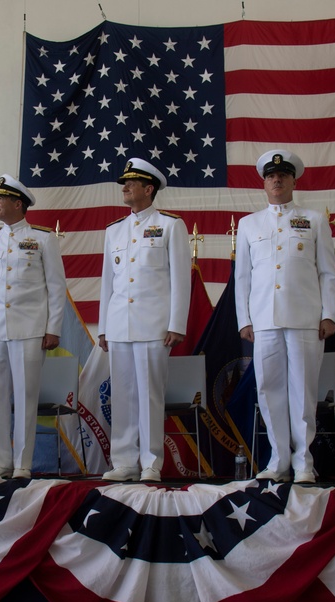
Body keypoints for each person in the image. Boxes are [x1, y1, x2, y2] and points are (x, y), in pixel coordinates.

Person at [234, 149, 335, 484]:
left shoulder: (314, 219)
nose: (277, 180)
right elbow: (243, 277)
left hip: (306, 317)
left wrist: (329, 313)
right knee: (269, 389)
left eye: (283, 175)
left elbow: (327, 272)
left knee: (303, 391)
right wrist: (244, 319)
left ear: (294, 180)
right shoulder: (249, 224)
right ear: (264, 183)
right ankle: (278, 460)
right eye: (270, 176)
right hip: (264, 318)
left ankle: (303, 462)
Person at [98, 158, 191, 482]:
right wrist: (104, 327)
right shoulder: (114, 231)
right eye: (124, 183)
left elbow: (181, 278)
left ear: (149, 188)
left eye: (131, 183)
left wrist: (176, 323)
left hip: (154, 324)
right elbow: (108, 282)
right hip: (120, 324)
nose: (124, 187)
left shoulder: (170, 225)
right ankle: (123, 461)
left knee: (150, 394)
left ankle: (151, 462)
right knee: (122, 394)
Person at [0, 175, 66, 479]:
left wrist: (53, 327)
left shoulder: (42, 238)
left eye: (0, 199)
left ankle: (23, 464)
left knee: (26, 398)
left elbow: (56, 287)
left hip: (30, 330)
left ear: (18, 203)